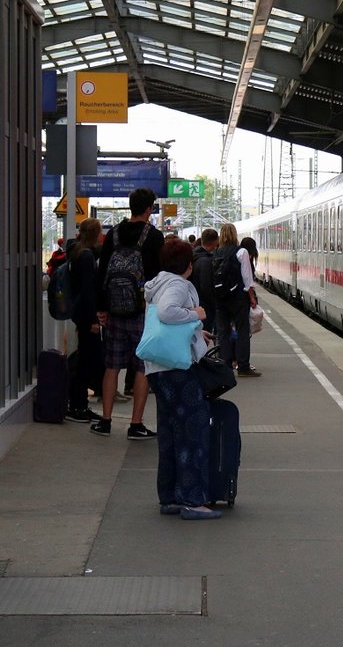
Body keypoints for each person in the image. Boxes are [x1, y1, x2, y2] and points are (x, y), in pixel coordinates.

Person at [142, 237, 220, 520]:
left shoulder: (158, 283)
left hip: (158, 368)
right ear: (188, 264)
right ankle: (192, 500)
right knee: (192, 432)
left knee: (170, 433)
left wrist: (197, 332)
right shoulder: (177, 284)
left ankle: (170, 496)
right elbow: (168, 313)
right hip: (177, 370)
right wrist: (195, 314)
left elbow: (167, 322)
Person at [91, 187, 164, 439]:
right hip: (143, 312)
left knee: (111, 367)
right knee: (143, 367)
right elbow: (158, 276)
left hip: (114, 312)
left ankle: (105, 420)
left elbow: (102, 274)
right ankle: (135, 424)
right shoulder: (153, 236)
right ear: (148, 208)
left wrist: (101, 308)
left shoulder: (113, 233)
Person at [64, 219, 103, 423]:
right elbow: (88, 290)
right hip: (86, 315)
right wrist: (93, 320)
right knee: (87, 360)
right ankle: (77, 405)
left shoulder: (76, 252)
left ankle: (79, 403)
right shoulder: (87, 256)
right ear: (96, 234)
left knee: (85, 358)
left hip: (79, 313)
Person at [214, 223, 261, 377]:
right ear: (234, 235)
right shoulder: (242, 252)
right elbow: (247, 278)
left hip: (220, 298)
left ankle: (225, 365)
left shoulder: (216, 252)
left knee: (223, 332)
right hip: (238, 298)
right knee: (242, 331)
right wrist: (252, 296)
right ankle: (243, 367)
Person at [190, 228, 219, 335]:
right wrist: (213, 303)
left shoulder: (195, 256)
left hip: (195, 302)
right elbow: (206, 287)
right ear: (215, 241)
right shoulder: (205, 261)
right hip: (205, 307)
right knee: (204, 335)